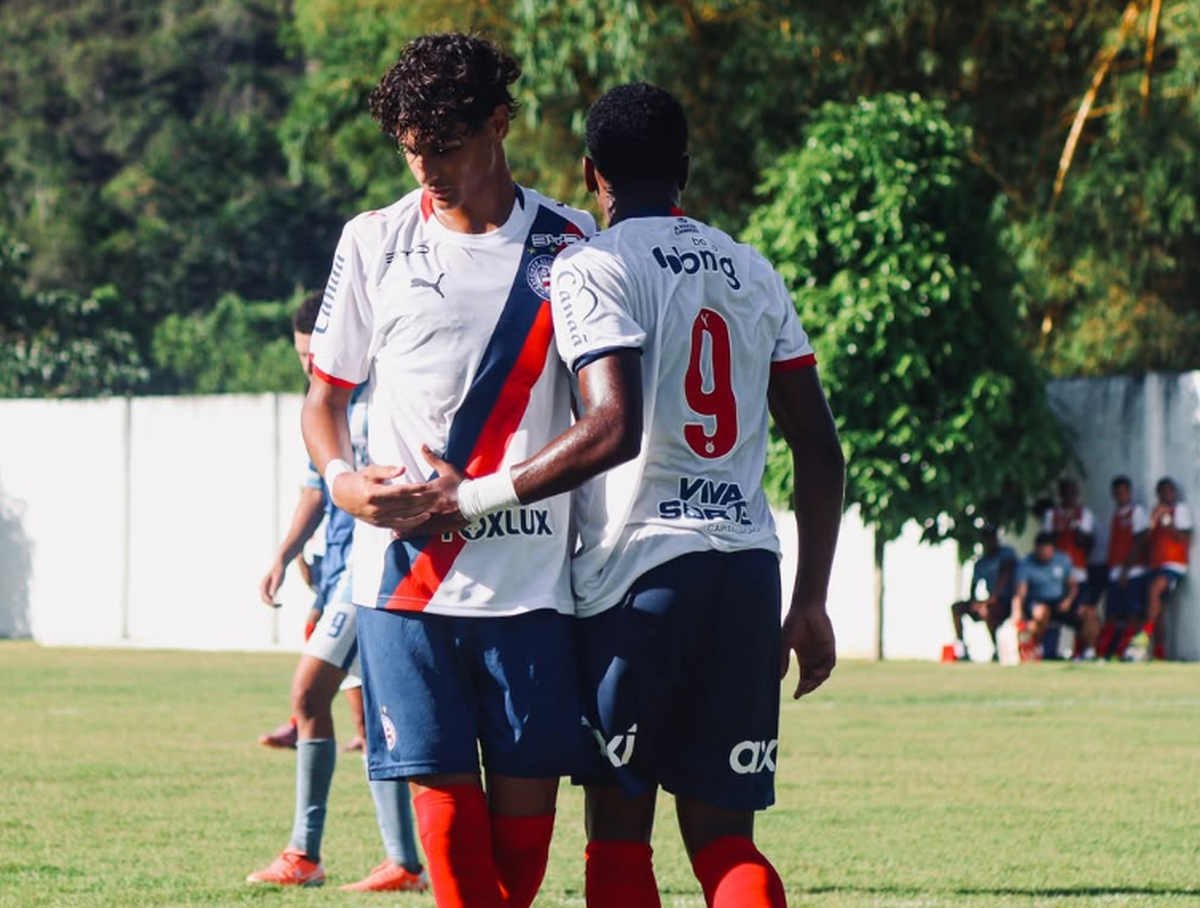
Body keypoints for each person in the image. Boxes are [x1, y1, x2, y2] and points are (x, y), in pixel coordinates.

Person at [382, 81, 844, 908]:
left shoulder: (591, 265)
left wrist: (470, 499)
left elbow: (612, 429)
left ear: (592, 173)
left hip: (637, 584)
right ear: (685, 171)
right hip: (747, 576)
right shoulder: (753, 269)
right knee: (727, 842)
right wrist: (810, 598)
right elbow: (819, 446)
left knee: (620, 838)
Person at [302, 33, 600, 908]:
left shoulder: (572, 244)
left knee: (520, 861)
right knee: (455, 859)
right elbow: (323, 402)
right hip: (403, 586)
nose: (426, 168)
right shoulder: (373, 240)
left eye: (445, 145)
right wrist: (343, 482)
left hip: (532, 588)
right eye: (410, 148)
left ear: (498, 124)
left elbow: (607, 418)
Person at [247, 294, 427, 893]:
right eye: (302, 358)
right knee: (368, 714)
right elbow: (316, 490)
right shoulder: (328, 402)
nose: (309, 367)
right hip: (342, 575)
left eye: (314, 355)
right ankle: (401, 862)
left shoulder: (388, 390)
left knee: (311, 694)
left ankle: (308, 854)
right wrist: (288, 553)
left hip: (378, 571)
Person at [1132, 476, 1192, 661]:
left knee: (1154, 590)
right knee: (1158, 609)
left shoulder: (1180, 510)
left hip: (1174, 564)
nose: (1167, 495)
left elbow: (1184, 538)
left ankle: (1145, 633)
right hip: (1155, 564)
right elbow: (1143, 541)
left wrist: (1167, 520)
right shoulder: (1154, 512)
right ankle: (1159, 653)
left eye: (1170, 491)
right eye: (1163, 491)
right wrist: (1153, 522)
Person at [1095, 476, 1149, 660]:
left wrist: (1126, 570)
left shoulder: (1137, 512)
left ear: (1129, 493)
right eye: (1117, 493)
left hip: (1132, 572)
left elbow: (1140, 540)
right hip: (1115, 571)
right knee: (1113, 613)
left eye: (1123, 492)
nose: (1120, 496)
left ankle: (1132, 649)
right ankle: (1112, 650)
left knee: (1133, 612)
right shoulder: (1116, 514)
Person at [1043, 478, 1098, 657]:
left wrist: (1074, 524)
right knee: (1051, 613)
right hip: (1056, 577)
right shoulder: (1052, 515)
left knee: (1086, 612)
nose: (1069, 497)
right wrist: (1061, 526)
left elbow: (1087, 542)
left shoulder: (1084, 514)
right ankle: (1048, 650)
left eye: (1072, 493)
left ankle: (1088, 650)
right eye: (1066, 493)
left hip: (1078, 573)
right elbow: (1047, 542)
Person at [949, 526, 1017, 661]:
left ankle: (997, 651)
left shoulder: (1007, 554)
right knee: (957, 608)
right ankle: (961, 649)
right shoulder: (981, 562)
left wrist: (986, 602)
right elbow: (973, 587)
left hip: (1007, 601)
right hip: (990, 601)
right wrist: (974, 602)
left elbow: (1003, 580)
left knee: (987, 611)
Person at [1012, 532, 1079, 658]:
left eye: (1047, 551)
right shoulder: (1026, 564)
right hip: (1036, 601)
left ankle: (1087, 651)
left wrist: (1068, 601)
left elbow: (1073, 586)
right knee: (1041, 612)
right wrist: (1017, 611)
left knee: (1087, 613)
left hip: (1059, 602)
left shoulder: (1063, 560)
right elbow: (1020, 592)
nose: (1044, 554)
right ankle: (1036, 646)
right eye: (1041, 551)